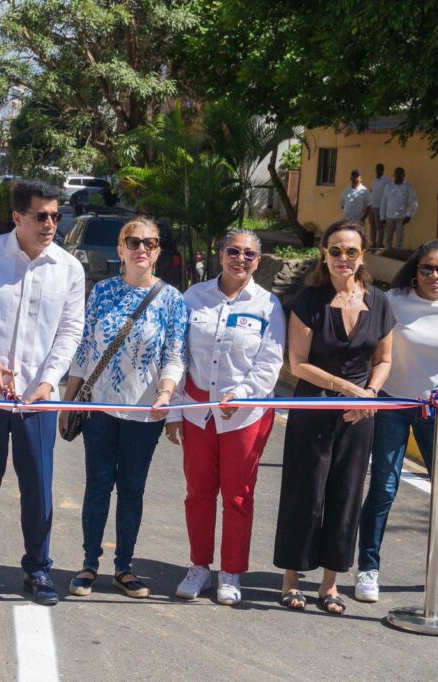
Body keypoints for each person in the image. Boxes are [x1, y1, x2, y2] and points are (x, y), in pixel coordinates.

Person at [0, 179, 85, 606]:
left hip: (38, 399)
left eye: (56, 216)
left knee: (39, 485)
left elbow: (70, 331)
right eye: (41, 216)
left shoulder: (69, 268)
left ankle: (38, 570)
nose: (50, 225)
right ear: (17, 218)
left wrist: (49, 382)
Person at [273, 220, 394, 615]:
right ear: (325, 254)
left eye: (351, 252)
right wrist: (346, 388)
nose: (343, 258)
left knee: (346, 496)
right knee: (304, 492)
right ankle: (292, 579)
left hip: (360, 414)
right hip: (314, 407)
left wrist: (370, 396)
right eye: (336, 251)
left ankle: (329, 584)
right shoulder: (309, 300)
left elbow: (384, 360)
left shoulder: (380, 301)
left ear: (363, 256)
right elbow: (298, 363)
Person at [356, 241, 438, 603]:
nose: (434, 276)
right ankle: (368, 567)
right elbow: (372, 346)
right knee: (383, 488)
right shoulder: (392, 300)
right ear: (415, 270)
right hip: (392, 405)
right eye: (427, 268)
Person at [62, 219, 187, 600]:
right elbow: (84, 351)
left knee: (131, 489)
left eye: (150, 242)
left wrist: (166, 394)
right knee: (98, 485)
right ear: (120, 250)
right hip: (100, 409)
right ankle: (88, 564)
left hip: (143, 414)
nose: (141, 249)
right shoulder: (102, 292)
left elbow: (174, 355)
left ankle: (125, 568)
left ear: (158, 251)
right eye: (133, 241)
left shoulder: (171, 300)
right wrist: (68, 401)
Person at [165, 230, 286, 606]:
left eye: (249, 254)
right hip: (198, 411)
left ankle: (231, 571)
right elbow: (177, 353)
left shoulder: (269, 306)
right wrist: (173, 409)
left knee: (238, 496)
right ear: (220, 254)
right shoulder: (193, 297)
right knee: (198, 493)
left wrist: (245, 393)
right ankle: (199, 566)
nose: (240, 259)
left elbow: (270, 362)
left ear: (258, 261)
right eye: (233, 251)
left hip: (244, 416)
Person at [379, 167, 417, 250]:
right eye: (397, 174)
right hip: (389, 216)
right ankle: (388, 253)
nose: (398, 176)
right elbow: (384, 202)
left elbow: (413, 202)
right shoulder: (388, 186)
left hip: (401, 217)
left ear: (404, 175)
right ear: (394, 175)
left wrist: (409, 215)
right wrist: (382, 217)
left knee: (400, 238)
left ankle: (398, 254)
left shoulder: (408, 187)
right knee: (388, 237)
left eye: (400, 174)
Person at [369, 164, 391, 248]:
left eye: (380, 169)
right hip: (372, 206)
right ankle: (372, 243)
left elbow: (388, 193)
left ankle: (379, 244)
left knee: (380, 227)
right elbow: (372, 190)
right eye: (377, 169)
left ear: (383, 170)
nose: (378, 170)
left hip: (380, 207)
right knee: (372, 226)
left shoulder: (386, 180)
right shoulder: (374, 180)